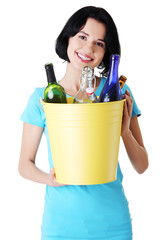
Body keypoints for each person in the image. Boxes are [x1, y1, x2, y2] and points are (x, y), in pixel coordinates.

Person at [18, 6, 149, 240]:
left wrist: (125, 132)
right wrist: (50, 179)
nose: (88, 48)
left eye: (99, 43)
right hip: (61, 226)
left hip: (113, 224)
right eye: (82, 37)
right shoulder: (43, 98)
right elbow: (24, 165)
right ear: (67, 38)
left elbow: (142, 166)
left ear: (106, 51)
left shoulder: (118, 92)